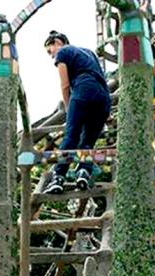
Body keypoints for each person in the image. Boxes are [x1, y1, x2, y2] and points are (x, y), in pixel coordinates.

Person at [43, 30, 112, 194]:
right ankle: (83, 172)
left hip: (82, 91)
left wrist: (68, 108)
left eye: (49, 51)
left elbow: (65, 84)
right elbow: (102, 78)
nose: (51, 56)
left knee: (71, 136)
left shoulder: (63, 52)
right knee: (88, 140)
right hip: (103, 98)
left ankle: (58, 177)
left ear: (57, 43)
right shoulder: (89, 53)